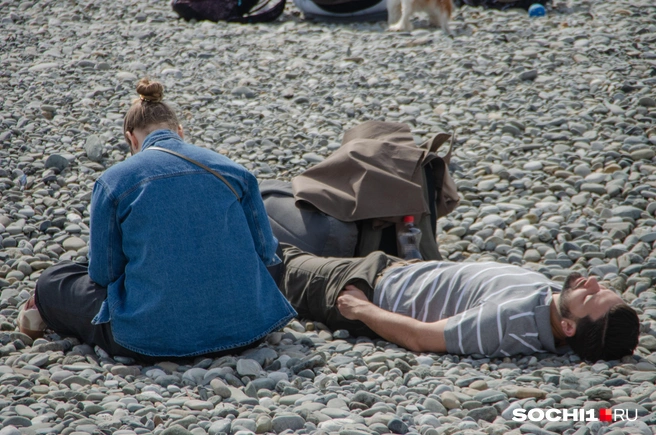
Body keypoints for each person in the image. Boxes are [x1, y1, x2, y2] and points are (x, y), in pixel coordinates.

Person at [18, 78, 296, 361]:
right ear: (180, 132)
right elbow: (266, 252)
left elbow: (103, 274)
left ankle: (39, 311)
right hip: (246, 330)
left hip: (150, 339)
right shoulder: (235, 170)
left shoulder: (113, 181)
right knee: (277, 252)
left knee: (53, 280)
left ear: (131, 139)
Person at [278, 244, 640, 362]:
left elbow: (423, 338)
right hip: (397, 270)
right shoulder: (552, 306)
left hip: (368, 288)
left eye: (590, 295)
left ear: (568, 327)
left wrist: (359, 308)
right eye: (602, 286)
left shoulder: (509, 322)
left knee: (279, 262)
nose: (590, 281)